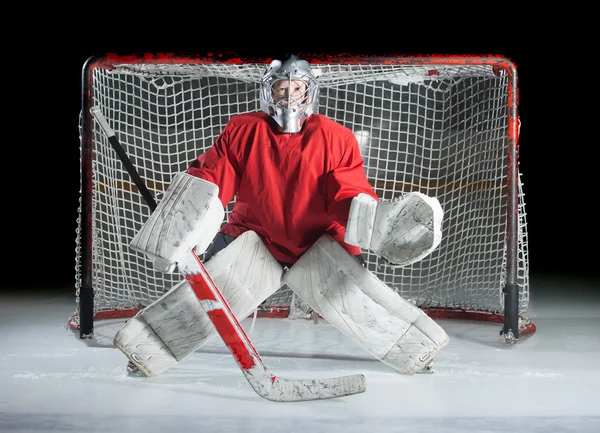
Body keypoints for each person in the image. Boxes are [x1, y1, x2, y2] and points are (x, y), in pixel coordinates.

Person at [115, 53, 449, 378]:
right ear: (269, 90)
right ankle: (143, 351)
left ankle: (418, 351)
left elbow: (346, 194)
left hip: (319, 241)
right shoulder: (243, 129)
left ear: (309, 91)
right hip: (253, 236)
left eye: (297, 88)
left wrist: (378, 225)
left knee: (360, 302)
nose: (289, 97)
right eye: (282, 88)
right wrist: (180, 223)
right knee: (206, 295)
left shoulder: (336, 137)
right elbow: (213, 179)